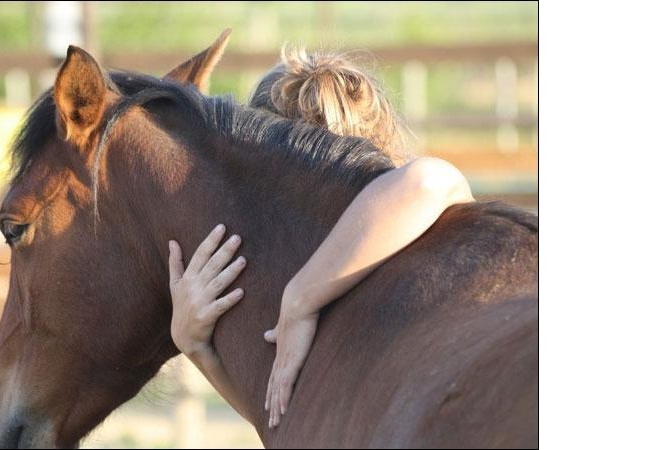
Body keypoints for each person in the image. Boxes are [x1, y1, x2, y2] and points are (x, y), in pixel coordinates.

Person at [168, 46, 475, 428]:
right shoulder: (294, 276)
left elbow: (430, 179)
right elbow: (283, 418)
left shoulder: (405, 224)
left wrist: (300, 299)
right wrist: (194, 345)